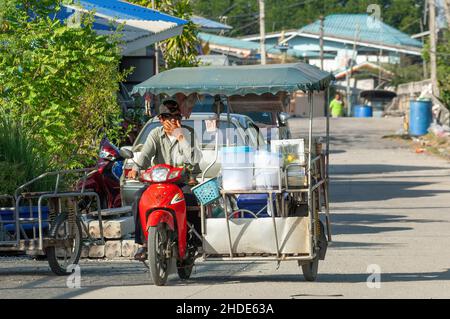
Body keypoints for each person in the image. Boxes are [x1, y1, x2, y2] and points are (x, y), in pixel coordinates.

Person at [128, 98, 203, 261]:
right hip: (159, 183)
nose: (174, 121)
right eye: (169, 117)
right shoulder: (155, 134)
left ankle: (195, 241)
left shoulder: (188, 133)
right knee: (138, 198)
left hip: (182, 181)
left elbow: (193, 159)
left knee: (190, 200)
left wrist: (181, 137)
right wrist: (135, 169)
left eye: (177, 116)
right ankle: (143, 244)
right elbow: (145, 155)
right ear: (161, 119)